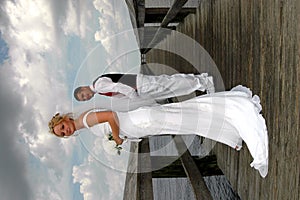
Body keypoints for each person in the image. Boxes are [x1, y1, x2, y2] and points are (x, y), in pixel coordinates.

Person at [49, 85, 268, 178]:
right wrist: (119, 138)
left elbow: (110, 116)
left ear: (64, 119)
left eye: (62, 127)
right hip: (141, 124)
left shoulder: (85, 119)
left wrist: (116, 138)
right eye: (62, 134)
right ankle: (226, 129)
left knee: (182, 118)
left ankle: (228, 117)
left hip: (141, 120)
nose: (65, 131)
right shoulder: (84, 124)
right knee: (182, 120)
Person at [73, 73, 215, 101]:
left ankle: (204, 81)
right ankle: (200, 81)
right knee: (169, 83)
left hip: (139, 86)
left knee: (170, 84)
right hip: (139, 83)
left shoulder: (98, 86)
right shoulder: (98, 87)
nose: (86, 97)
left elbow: (119, 87)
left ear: (83, 88)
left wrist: (135, 98)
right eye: (84, 99)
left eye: (83, 95)